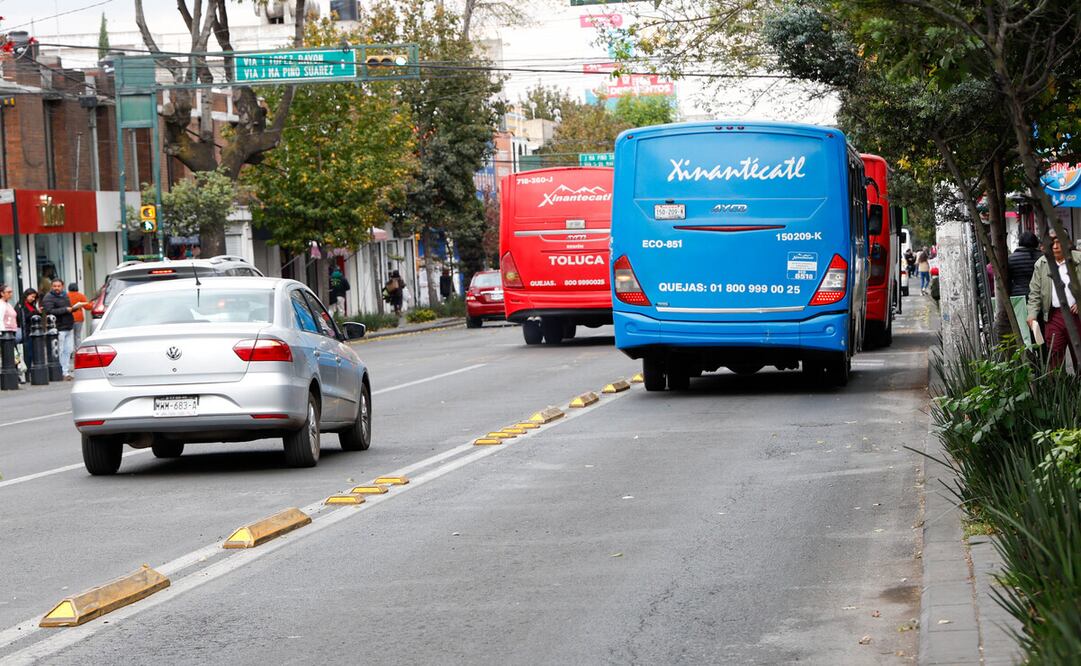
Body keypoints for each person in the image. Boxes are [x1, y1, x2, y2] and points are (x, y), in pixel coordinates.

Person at [1027, 230, 1081, 370]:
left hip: (1077, 315)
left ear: (1068, 243)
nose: (1055, 246)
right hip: (1054, 316)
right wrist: (1032, 314)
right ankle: (1059, 389)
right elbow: (1035, 293)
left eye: (1059, 242)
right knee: (1054, 356)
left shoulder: (1078, 260)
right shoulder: (1042, 264)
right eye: (1052, 243)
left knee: (1079, 355)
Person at [40, 279, 82, 379]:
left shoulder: (64, 295)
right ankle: (59, 372)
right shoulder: (48, 297)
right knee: (60, 350)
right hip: (58, 328)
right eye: (54, 286)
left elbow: (68, 308)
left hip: (68, 326)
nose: (57, 288)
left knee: (68, 350)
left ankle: (65, 371)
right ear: (51, 286)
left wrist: (73, 308)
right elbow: (49, 311)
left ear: (62, 286)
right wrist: (66, 309)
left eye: (59, 286)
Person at [16, 288, 40, 380]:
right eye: (32, 296)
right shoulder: (20, 306)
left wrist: (38, 312)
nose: (33, 299)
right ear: (26, 295)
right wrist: (34, 312)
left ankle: (29, 372)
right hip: (25, 332)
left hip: (31, 332)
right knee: (27, 354)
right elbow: (22, 318)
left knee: (32, 353)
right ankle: (26, 374)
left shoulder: (32, 305)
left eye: (34, 297)